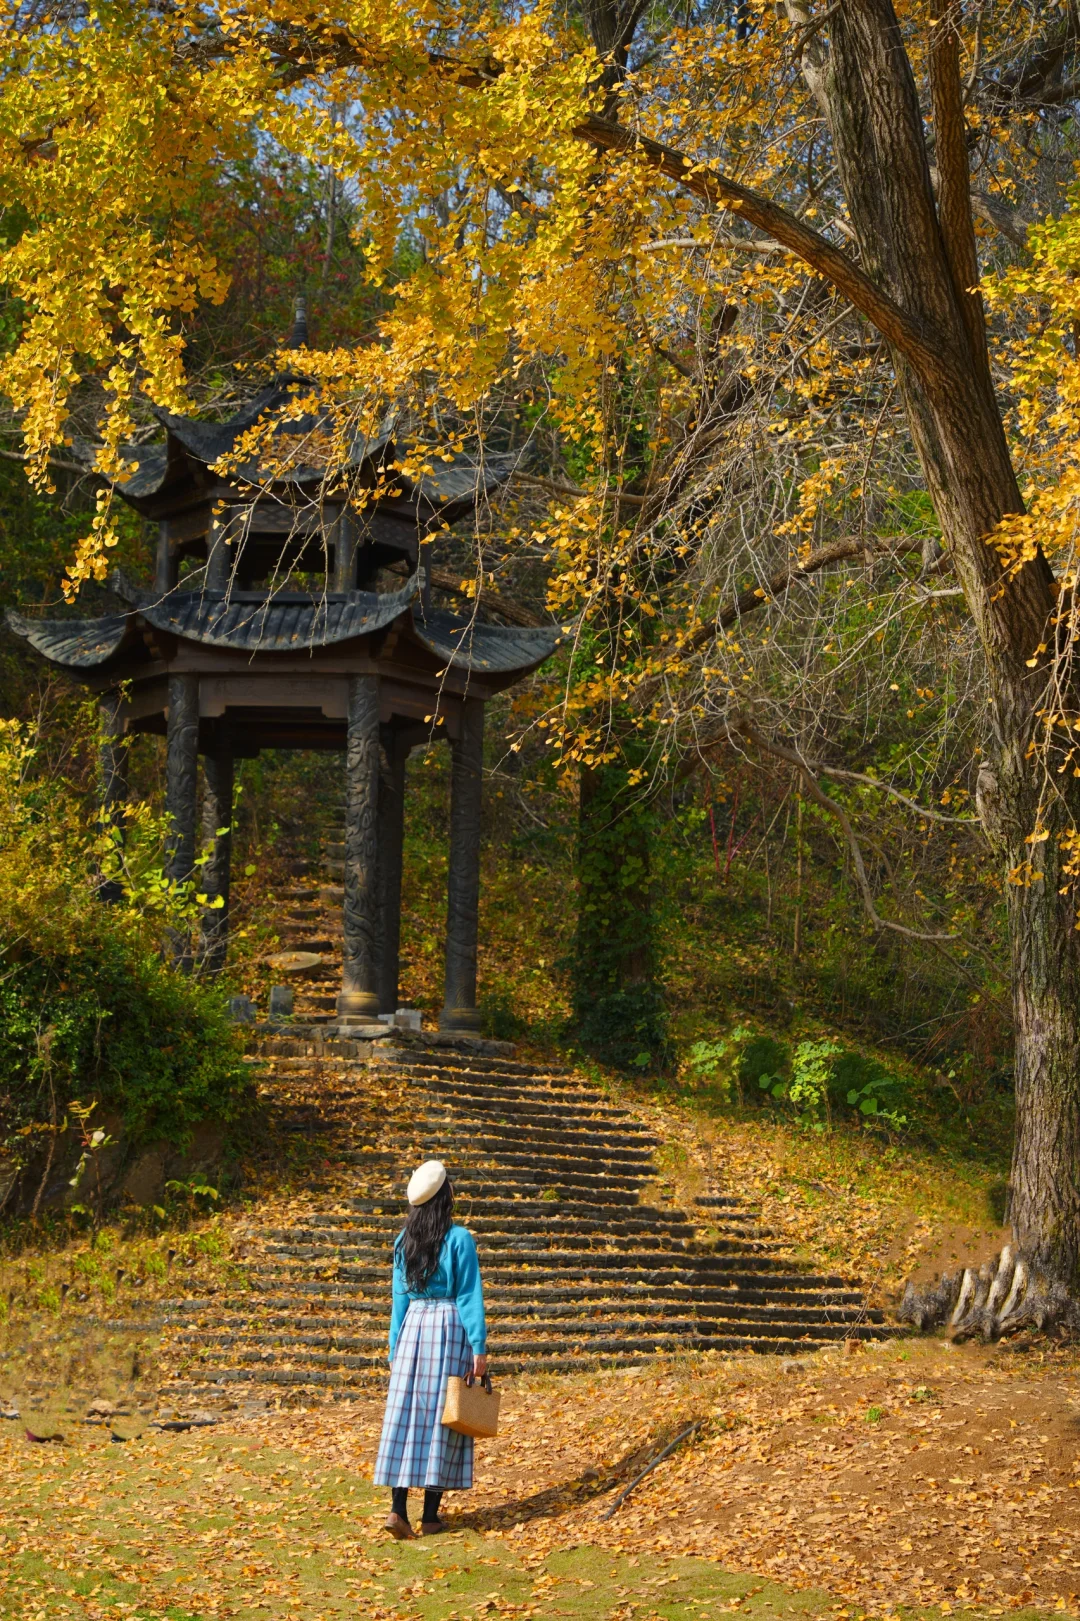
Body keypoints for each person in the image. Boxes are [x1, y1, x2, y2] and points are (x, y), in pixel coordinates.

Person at [372, 1158, 488, 1539]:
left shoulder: (403, 1241)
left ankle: (397, 1510)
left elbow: (398, 1300)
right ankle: (431, 1516)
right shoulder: (459, 1239)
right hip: (448, 1328)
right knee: (444, 1416)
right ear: (445, 1196)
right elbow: (469, 1295)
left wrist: (393, 1347)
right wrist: (479, 1348)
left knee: (405, 1416)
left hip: (412, 1331)